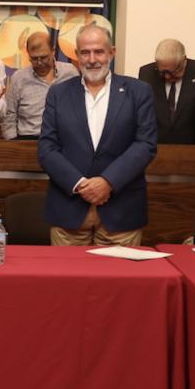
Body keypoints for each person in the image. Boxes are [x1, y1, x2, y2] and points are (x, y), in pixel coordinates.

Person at [39, 25, 156, 246]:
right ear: (76, 55)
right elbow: (47, 149)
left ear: (111, 52)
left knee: (121, 281)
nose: (92, 59)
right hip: (69, 212)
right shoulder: (58, 93)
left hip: (121, 212)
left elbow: (145, 145)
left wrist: (107, 182)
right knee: (68, 281)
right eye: (85, 52)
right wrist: (80, 184)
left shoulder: (139, 92)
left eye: (99, 52)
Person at [136, 38, 195, 144]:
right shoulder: (147, 74)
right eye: (163, 72)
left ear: (184, 61)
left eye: (172, 72)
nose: (167, 77)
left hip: (194, 149)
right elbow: (140, 115)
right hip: (156, 149)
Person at [1, 31, 77, 140]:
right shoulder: (19, 78)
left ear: (53, 51)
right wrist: (14, 144)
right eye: (34, 59)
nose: (40, 63)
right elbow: (9, 116)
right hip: (28, 140)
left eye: (44, 57)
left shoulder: (70, 73)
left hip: (64, 140)